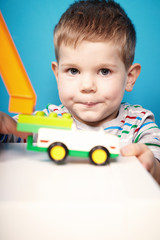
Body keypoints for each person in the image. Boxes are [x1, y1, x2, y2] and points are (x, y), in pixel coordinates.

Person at [1, 0, 160, 183]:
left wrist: (153, 168)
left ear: (129, 77)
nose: (87, 86)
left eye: (104, 71)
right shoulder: (46, 120)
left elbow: (155, 161)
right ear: (58, 74)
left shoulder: (139, 123)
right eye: (73, 71)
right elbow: (9, 136)